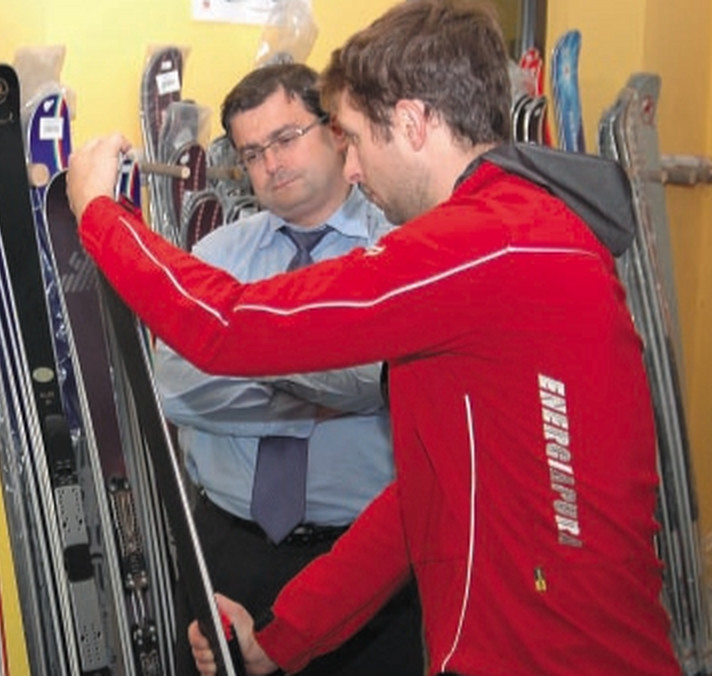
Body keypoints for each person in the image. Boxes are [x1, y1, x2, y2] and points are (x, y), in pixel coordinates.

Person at [65, 1, 682, 674]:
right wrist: (281, 641)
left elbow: (230, 327)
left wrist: (100, 213)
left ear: (413, 122)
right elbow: (418, 500)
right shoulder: (504, 244)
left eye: (353, 138)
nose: (350, 167)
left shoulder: (486, 244)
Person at [155, 63, 422, 675]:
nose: (270, 164)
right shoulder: (218, 253)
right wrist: (325, 398)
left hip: (364, 565)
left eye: (284, 138)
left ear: (334, 131)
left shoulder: (398, 246)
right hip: (229, 550)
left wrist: (240, 360)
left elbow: (377, 376)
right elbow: (174, 386)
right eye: (251, 153)